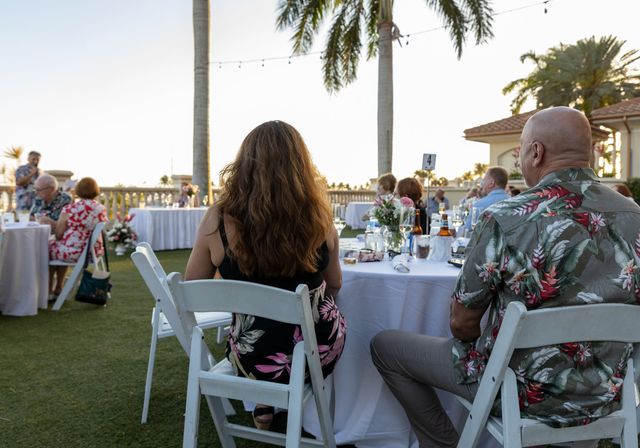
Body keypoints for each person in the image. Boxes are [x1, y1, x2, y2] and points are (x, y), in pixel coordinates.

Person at [370, 106, 640, 447]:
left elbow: (462, 323)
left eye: (521, 151)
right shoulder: (635, 216)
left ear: (536, 152)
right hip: (606, 392)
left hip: (517, 391)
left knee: (385, 347)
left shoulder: (506, 218)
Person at [185, 120, 346, 430]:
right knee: (326, 322)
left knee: (261, 335)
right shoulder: (320, 218)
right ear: (301, 166)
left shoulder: (217, 219)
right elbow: (336, 284)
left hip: (251, 356)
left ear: (244, 165)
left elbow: (193, 287)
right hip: (315, 353)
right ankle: (300, 404)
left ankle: (264, 398)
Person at [49, 177, 108, 300]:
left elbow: (59, 235)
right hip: (93, 252)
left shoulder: (70, 209)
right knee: (58, 249)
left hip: (76, 253)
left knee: (47, 250)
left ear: (78, 190)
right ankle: (58, 288)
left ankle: (49, 290)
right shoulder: (101, 209)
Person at [464, 166, 509, 231]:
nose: (482, 184)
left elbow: (467, 229)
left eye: (484, 180)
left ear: (491, 183)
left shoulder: (479, 205)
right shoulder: (516, 204)